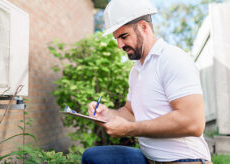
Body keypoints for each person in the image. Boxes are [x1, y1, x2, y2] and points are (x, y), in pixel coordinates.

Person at [82, 0, 211, 163]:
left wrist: (129, 129)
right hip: (150, 159)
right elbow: (130, 112)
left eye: (124, 36)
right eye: (116, 38)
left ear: (144, 27)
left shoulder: (172, 59)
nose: (119, 45)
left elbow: (193, 122)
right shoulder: (137, 70)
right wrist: (106, 114)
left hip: (184, 160)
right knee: (93, 157)